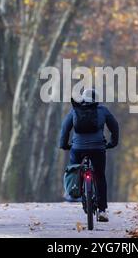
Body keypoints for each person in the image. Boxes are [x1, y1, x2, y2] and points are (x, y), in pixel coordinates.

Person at [59, 88, 119, 222]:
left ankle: (73, 192)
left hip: (78, 148)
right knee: (99, 176)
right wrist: (112, 143)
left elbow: (65, 128)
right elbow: (114, 126)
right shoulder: (102, 110)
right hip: (98, 148)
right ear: (96, 100)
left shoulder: (75, 110)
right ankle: (102, 210)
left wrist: (64, 145)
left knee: (74, 169)